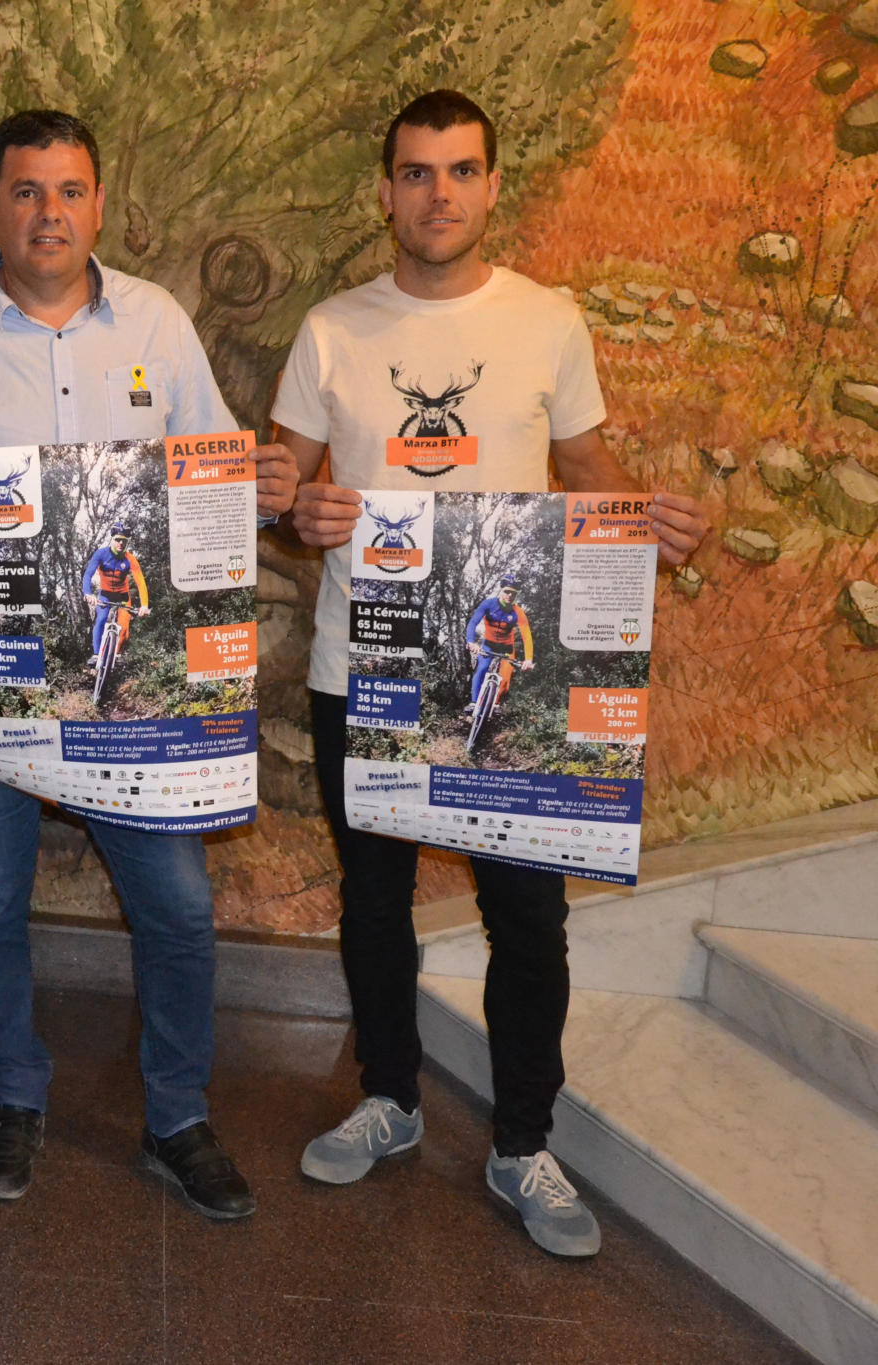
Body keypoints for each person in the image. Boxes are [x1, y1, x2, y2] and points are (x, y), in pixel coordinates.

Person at [273, 90, 707, 1257]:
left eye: (460, 171)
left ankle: (521, 1143)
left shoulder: (546, 320)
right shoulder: (329, 328)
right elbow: (284, 481)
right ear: (384, 191)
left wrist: (649, 520)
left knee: (526, 916)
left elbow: (584, 465)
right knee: (372, 901)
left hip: (504, 668)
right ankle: (389, 1099)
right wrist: (297, 508)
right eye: (416, 173)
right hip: (362, 663)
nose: (438, 194)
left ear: (491, 185)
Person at [0, 110, 300, 1215]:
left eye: (67, 191)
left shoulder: (157, 321)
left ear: (97, 205)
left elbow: (213, 473)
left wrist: (263, 490)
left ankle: (177, 1116)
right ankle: (14, 1097)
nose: (46, 213)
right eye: (24, 191)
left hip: (129, 688)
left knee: (178, 910)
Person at [82, 521, 149, 667]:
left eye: (124, 541)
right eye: (118, 539)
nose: (120, 543)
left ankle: (117, 654)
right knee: (101, 620)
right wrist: (88, 594)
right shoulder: (101, 554)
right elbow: (87, 575)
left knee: (124, 626)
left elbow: (140, 582)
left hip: (122, 595)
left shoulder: (130, 558)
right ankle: (96, 654)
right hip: (105, 594)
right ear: (112, 539)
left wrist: (144, 605)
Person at [464, 574, 533, 715]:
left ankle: (495, 704)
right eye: (507, 591)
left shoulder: (518, 612)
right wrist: (471, 642)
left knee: (505, 678)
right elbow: (473, 623)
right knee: (482, 668)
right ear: (501, 591)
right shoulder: (488, 604)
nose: (510, 595)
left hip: (507, 647)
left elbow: (526, 635)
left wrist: (528, 659)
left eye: (513, 593)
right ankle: (474, 702)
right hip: (489, 644)